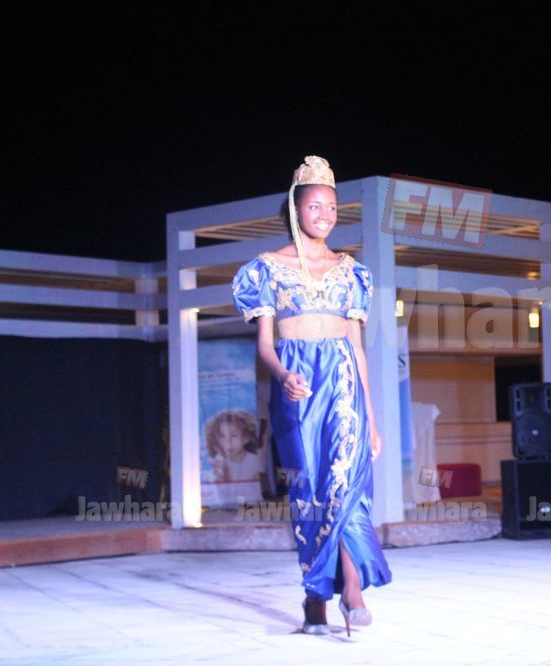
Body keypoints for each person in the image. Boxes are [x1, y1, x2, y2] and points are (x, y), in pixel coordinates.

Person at [232, 156, 391, 636]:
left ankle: (353, 589)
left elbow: (357, 350)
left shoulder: (351, 272)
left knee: (348, 484)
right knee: (311, 493)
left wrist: (372, 419)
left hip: (344, 384)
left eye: (332, 207)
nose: (325, 215)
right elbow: (265, 344)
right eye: (315, 205)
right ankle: (315, 596)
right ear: (295, 209)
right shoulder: (267, 269)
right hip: (298, 388)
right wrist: (283, 374)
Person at [205, 409, 262, 482]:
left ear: (246, 437)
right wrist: (219, 477)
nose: (227, 441)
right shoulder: (220, 464)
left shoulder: (255, 461)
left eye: (233, 435)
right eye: (222, 436)